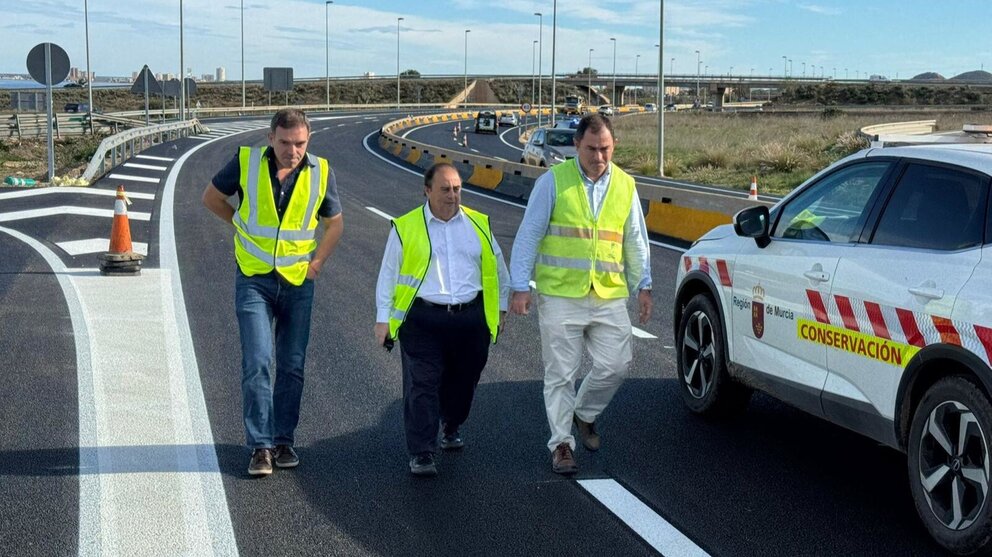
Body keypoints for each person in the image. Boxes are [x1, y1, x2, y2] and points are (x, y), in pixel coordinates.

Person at [202, 107, 343, 476]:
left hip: (298, 282)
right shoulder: (246, 162)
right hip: (254, 279)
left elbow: (335, 224)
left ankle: (284, 441)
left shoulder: (321, 172)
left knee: (292, 366)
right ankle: (260, 446)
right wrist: (240, 226)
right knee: (258, 361)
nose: (292, 151)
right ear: (270, 138)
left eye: (299, 144)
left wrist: (317, 264)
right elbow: (211, 197)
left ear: (307, 140)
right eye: (284, 142)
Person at [509, 113, 652, 475]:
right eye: (591, 148)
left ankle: (584, 412)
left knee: (617, 364)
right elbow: (529, 235)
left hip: (607, 295)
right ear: (576, 146)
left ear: (614, 146)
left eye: (605, 149)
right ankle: (561, 444)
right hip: (560, 296)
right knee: (560, 373)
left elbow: (635, 241)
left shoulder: (625, 185)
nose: (599, 157)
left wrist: (644, 285)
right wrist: (519, 285)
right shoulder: (553, 182)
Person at [374, 162, 510, 477]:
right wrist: (383, 319)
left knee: (464, 382)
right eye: (445, 189)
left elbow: (497, 268)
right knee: (422, 384)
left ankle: (451, 422)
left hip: (470, 320)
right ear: (427, 190)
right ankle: (421, 451)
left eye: (457, 189)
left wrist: (500, 309)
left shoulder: (478, 224)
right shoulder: (406, 227)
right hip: (423, 320)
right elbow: (388, 275)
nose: (453, 196)